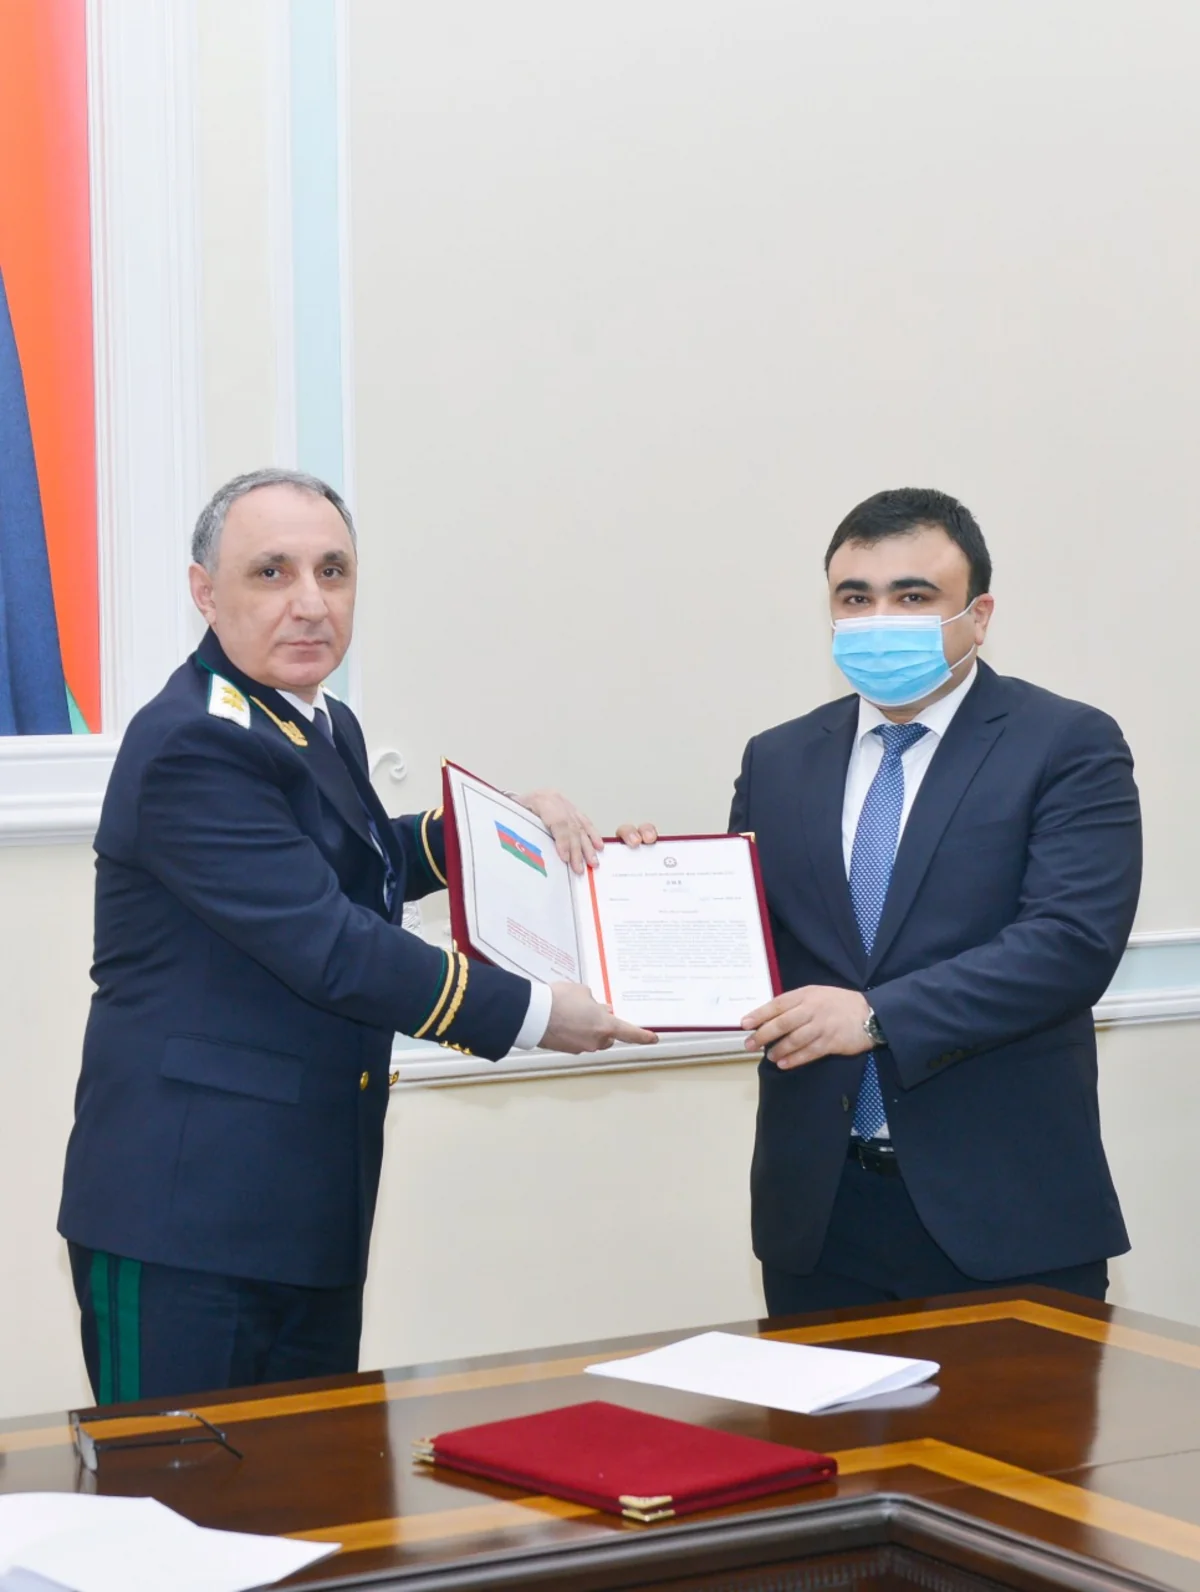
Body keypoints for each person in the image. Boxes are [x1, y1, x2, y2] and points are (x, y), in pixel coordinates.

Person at [58, 467, 656, 1402]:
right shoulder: (192, 743)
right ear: (204, 592)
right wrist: (537, 1014)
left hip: (304, 1206)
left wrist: (497, 835)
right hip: (188, 1216)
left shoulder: (315, 719)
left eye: (332, 571)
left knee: (312, 1483)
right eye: (272, 572)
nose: (310, 602)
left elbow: (358, 860)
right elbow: (332, 944)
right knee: (178, 1484)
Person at [624, 487, 1141, 1314]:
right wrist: (641, 887)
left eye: (912, 596)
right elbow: (746, 944)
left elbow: (1069, 944)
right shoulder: (778, 758)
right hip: (821, 1216)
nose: (878, 621)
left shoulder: (1066, 743)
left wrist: (876, 1017)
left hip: (1004, 1212)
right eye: (855, 598)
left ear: (979, 615)